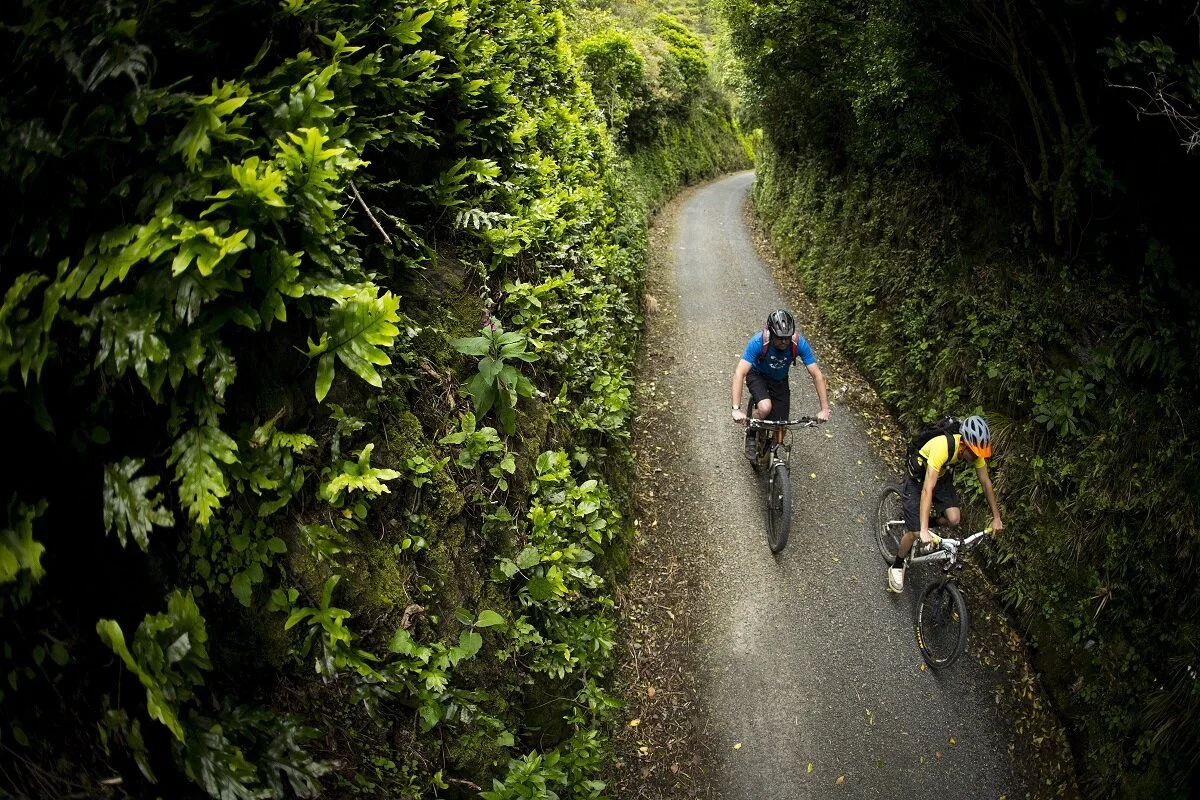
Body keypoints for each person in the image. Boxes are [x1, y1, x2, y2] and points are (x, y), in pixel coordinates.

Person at [887, 414, 1005, 592]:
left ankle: (921, 522)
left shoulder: (975, 453)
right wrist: (924, 529)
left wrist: (996, 517)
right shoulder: (943, 447)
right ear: (964, 444)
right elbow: (927, 489)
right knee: (916, 531)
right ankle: (897, 564)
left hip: (942, 478)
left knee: (954, 518)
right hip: (919, 479)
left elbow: (986, 483)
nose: (975, 457)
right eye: (973, 453)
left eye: (978, 454)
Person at [731, 309, 831, 458]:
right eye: (779, 338)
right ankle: (751, 432)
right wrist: (736, 408)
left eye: (787, 337)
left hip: (779, 380)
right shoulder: (759, 342)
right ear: (771, 334)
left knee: (781, 425)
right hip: (758, 376)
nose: (784, 341)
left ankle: (770, 458)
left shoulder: (798, 343)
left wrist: (824, 409)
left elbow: (817, 375)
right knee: (765, 408)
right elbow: (740, 373)